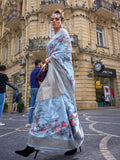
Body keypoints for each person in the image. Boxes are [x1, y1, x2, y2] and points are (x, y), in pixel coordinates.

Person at [15, 9, 84, 159]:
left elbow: (65, 53)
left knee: (60, 107)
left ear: (62, 21)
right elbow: (56, 53)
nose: (54, 21)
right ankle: (32, 144)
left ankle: (72, 143)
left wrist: (50, 59)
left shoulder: (64, 34)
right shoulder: (54, 36)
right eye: (52, 19)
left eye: (57, 19)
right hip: (53, 73)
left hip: (61, 75)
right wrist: (49, 59)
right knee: (44, 106)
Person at [25, 59, 42, 128]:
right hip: (38, 89)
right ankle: (38, 122)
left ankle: (30, 122)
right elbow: (39, 80)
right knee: (39, 105)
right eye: (41, 62)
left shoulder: (32, 72)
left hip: (32, 89)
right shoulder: (40, 70)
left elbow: (29, 81)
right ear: (39, 63)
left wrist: (32, 86)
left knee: (32, 106)